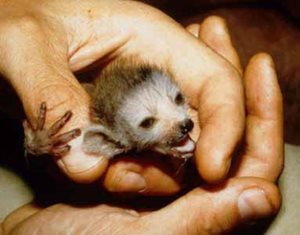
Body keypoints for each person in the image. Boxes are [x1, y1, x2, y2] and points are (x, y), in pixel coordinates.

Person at [0, 0, 283, 234]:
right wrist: (37, 143)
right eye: (148, 122)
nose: (183, 119)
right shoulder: (86, 130)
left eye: (177, 98)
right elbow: (46, 162)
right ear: (107, 141)